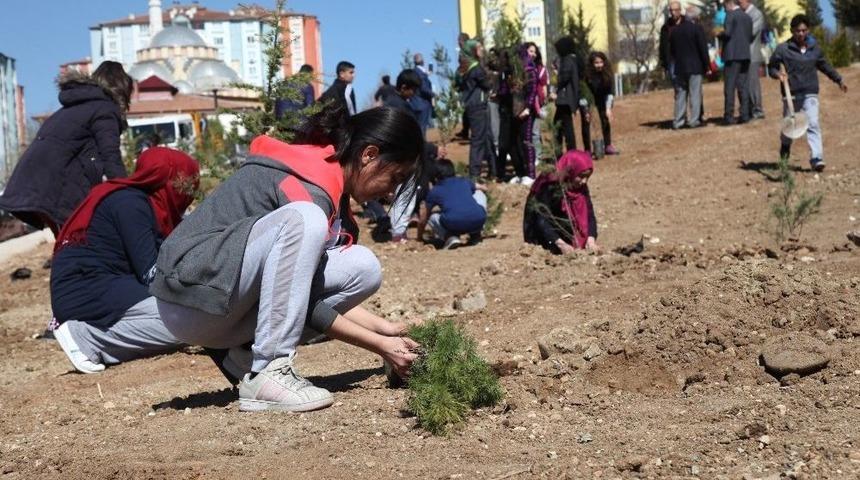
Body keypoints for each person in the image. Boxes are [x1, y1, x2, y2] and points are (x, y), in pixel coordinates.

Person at [150, 105, 426, 412]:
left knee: (364, 268)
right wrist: (381, 345)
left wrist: (386, 330)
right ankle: (270, 370)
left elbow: (296, 291)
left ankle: (241, 356)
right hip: (188, 300)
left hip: (222, 303)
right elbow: (304, 299)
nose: (391, 193)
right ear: (369, 155)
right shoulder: (305, 188)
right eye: (395, 177)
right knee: (304, 219)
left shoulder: (335, 203)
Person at [50, 147, 199, 373]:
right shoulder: (130, 204)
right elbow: (151, 273)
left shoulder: (141, 204)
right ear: (166, 182)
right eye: (184, 185)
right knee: (186, 322)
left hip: (103, 286)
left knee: (188, 318)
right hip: (86, 287)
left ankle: (90, 332)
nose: (187, 195)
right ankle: (87, 339)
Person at [0, 61, 134, 235]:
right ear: (121, 89)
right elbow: (111, 157)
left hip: (30, 182)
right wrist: (128, 196)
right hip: (57, 184)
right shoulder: (104, 109)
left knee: (69, 242)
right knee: (82, 240)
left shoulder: (71, 108)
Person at [768, 14, 848, 172]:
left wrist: (838, 80)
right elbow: (771, 67)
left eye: (804, 30)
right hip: (790, 95)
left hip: (810, 92)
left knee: (813, 124)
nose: (801, 34)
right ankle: (785, 150)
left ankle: (816, 158)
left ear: (808, 30)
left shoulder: (814, 48)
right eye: (797, 31)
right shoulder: (783, 49)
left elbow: (825, 66)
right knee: (790, 128)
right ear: (792, 31)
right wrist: (778, 74)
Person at [523, 150, 599, 255]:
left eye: (587, 177)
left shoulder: (580, 187)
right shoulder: (550, 185)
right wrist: (560, 243)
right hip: (543, 235)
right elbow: (541, 219)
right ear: (571, 171)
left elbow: (589, 214)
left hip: (567, 235)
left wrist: (591, 239)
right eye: (581, 176)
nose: (584, 181)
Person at [417, 159, 487, 250]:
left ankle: (450, 237)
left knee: (431, 216)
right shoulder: (464, 181)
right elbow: (483, 188)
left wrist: (419, 237)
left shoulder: (435, 191)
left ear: (435, 176)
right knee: (479, 193)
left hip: (454, 222)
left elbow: (423, 217)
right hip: (479, 219)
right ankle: (475, 235)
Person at [456, 39, 497, 179]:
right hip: (478, 106)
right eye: (479, 47)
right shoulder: (476, 69)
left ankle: (493, 170)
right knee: (479, 140)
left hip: (471, 106)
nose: (482, 49)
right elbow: (487, 85)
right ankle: (475, 174)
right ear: (472, 50)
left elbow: (458, 85)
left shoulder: (463, 68)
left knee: (486, 138)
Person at [669, 6, 711, 129]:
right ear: (695, 17)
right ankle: (693, 120)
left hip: (680, 67)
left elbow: (672, 51)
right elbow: (703, 49)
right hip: (694, 66)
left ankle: (678, 121)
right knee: (695, 94)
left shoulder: (675, 30)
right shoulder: (697, 29)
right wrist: (706, 65)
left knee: (680, 95)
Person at [721, 0, 753, 125]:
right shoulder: (747, 17)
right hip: (745, 54)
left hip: (732, 55)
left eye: (725, 6)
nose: (724, 9)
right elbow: (750, 36)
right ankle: (744, 114)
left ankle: (729, 116)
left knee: (729, 86)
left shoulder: (730, 15)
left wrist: (719, 34)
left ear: (729, 4)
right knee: (743, 86)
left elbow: (727, 33)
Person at [582, 52, 619, 154]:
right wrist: (586, 110)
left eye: (601, 62)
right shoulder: (587, 75)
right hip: (589, 98)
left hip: (603, 98)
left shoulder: (607, 74)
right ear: (592, 64)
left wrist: (608, 109)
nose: (599, 65)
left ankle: (608, 145)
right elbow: (586, 93)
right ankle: (587, 149)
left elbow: (610, 93)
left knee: (605, 119)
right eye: (596, 63)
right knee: (586, 121)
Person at [552, 36, 581, 155]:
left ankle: (569, 152)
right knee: (560, 125)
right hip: (567, 99)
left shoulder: (567, 60)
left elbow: (564, 77)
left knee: (564, 126)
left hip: (565, 99)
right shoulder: (571, 59)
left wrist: (557, 77)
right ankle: (565, 152)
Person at [738, 0, 765, 120]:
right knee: (743, 84)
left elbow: (752, 32)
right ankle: (747, 110)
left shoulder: (756, 14)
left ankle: (757, 110)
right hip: (742, 54)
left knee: (753, 83)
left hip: (752, 54)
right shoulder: (741, 13)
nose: (738, 2)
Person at [529, 44, 549, 164]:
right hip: (526, 104)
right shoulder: (524, 68)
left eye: (534, 52)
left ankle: (539, 156)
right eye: (530, 51)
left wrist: (543, 104)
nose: (532, 54)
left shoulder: (541, 69)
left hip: (538, 104)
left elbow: (544, 87)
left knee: (535, 132)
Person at [659, 1, 685, 84]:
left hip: (686, 60)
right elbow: (662, 46)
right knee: (678, 88)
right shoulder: (666, 28)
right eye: (671, 11)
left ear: (680, 10)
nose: (673, 13)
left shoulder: (687, 25)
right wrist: (663, 64)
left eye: (675, 10)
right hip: (673, 60)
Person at [411, 53, 435, 137]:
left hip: (414, 103)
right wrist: (434, 94)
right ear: (423, 61)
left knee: (417, 127)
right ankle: (422, 146)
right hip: (422, 103)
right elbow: (423, 88)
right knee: (422, 127)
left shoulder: (414, 72)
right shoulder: (420, 73)